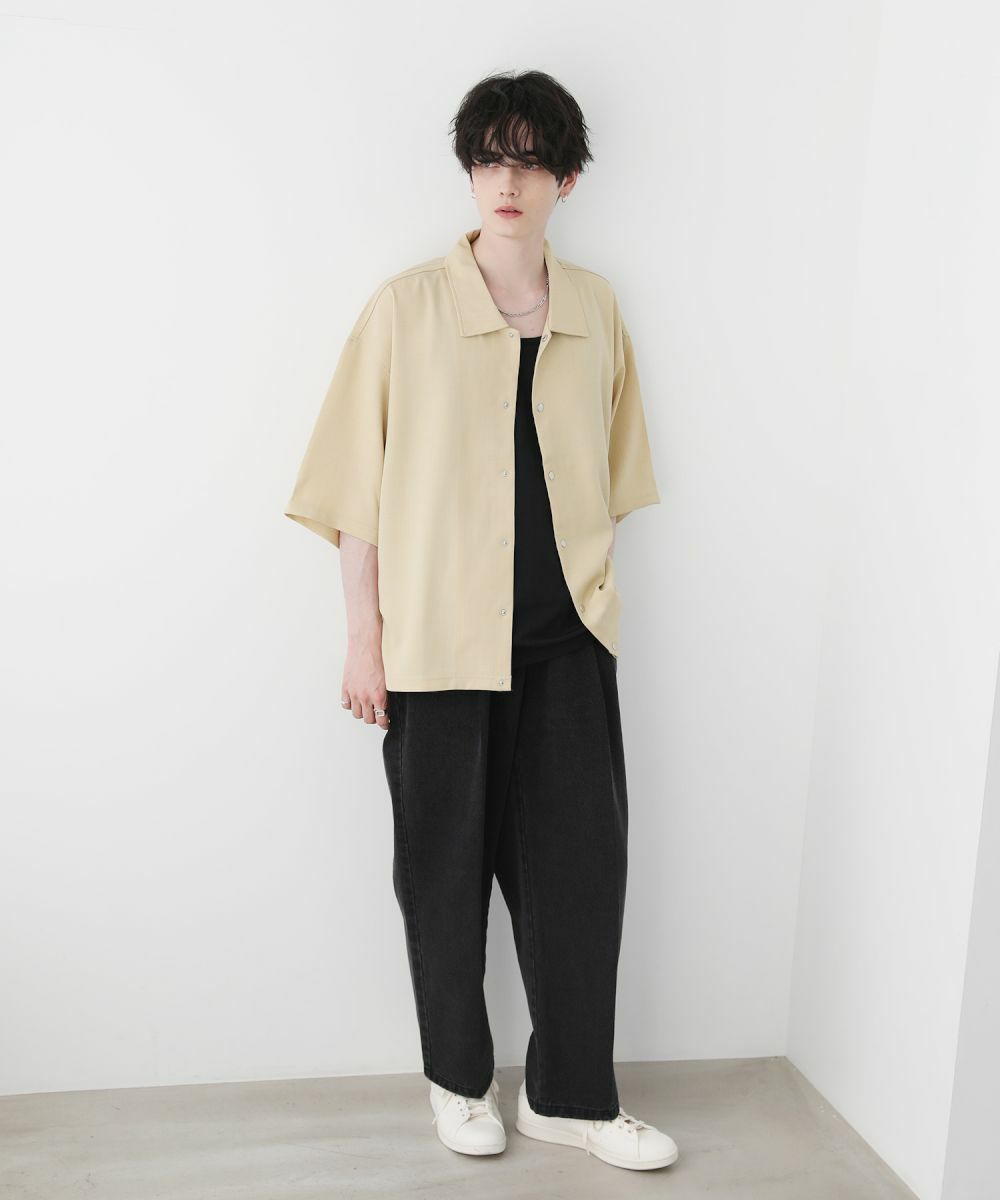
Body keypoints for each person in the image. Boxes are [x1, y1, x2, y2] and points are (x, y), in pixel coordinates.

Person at [284, 69, 678, 1172]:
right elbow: (354, 495)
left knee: (581, 879)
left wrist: (589, 606)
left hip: (565, 648)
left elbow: (613, 474)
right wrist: (363, 643)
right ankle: (459, 1084)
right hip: (436, 650)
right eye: (489, 158)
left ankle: (570, 1098)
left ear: (567, 179)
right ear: (469, 171)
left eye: (530, 161)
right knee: (442, 877)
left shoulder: (595, 309)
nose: (508, 181)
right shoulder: (404, 309)